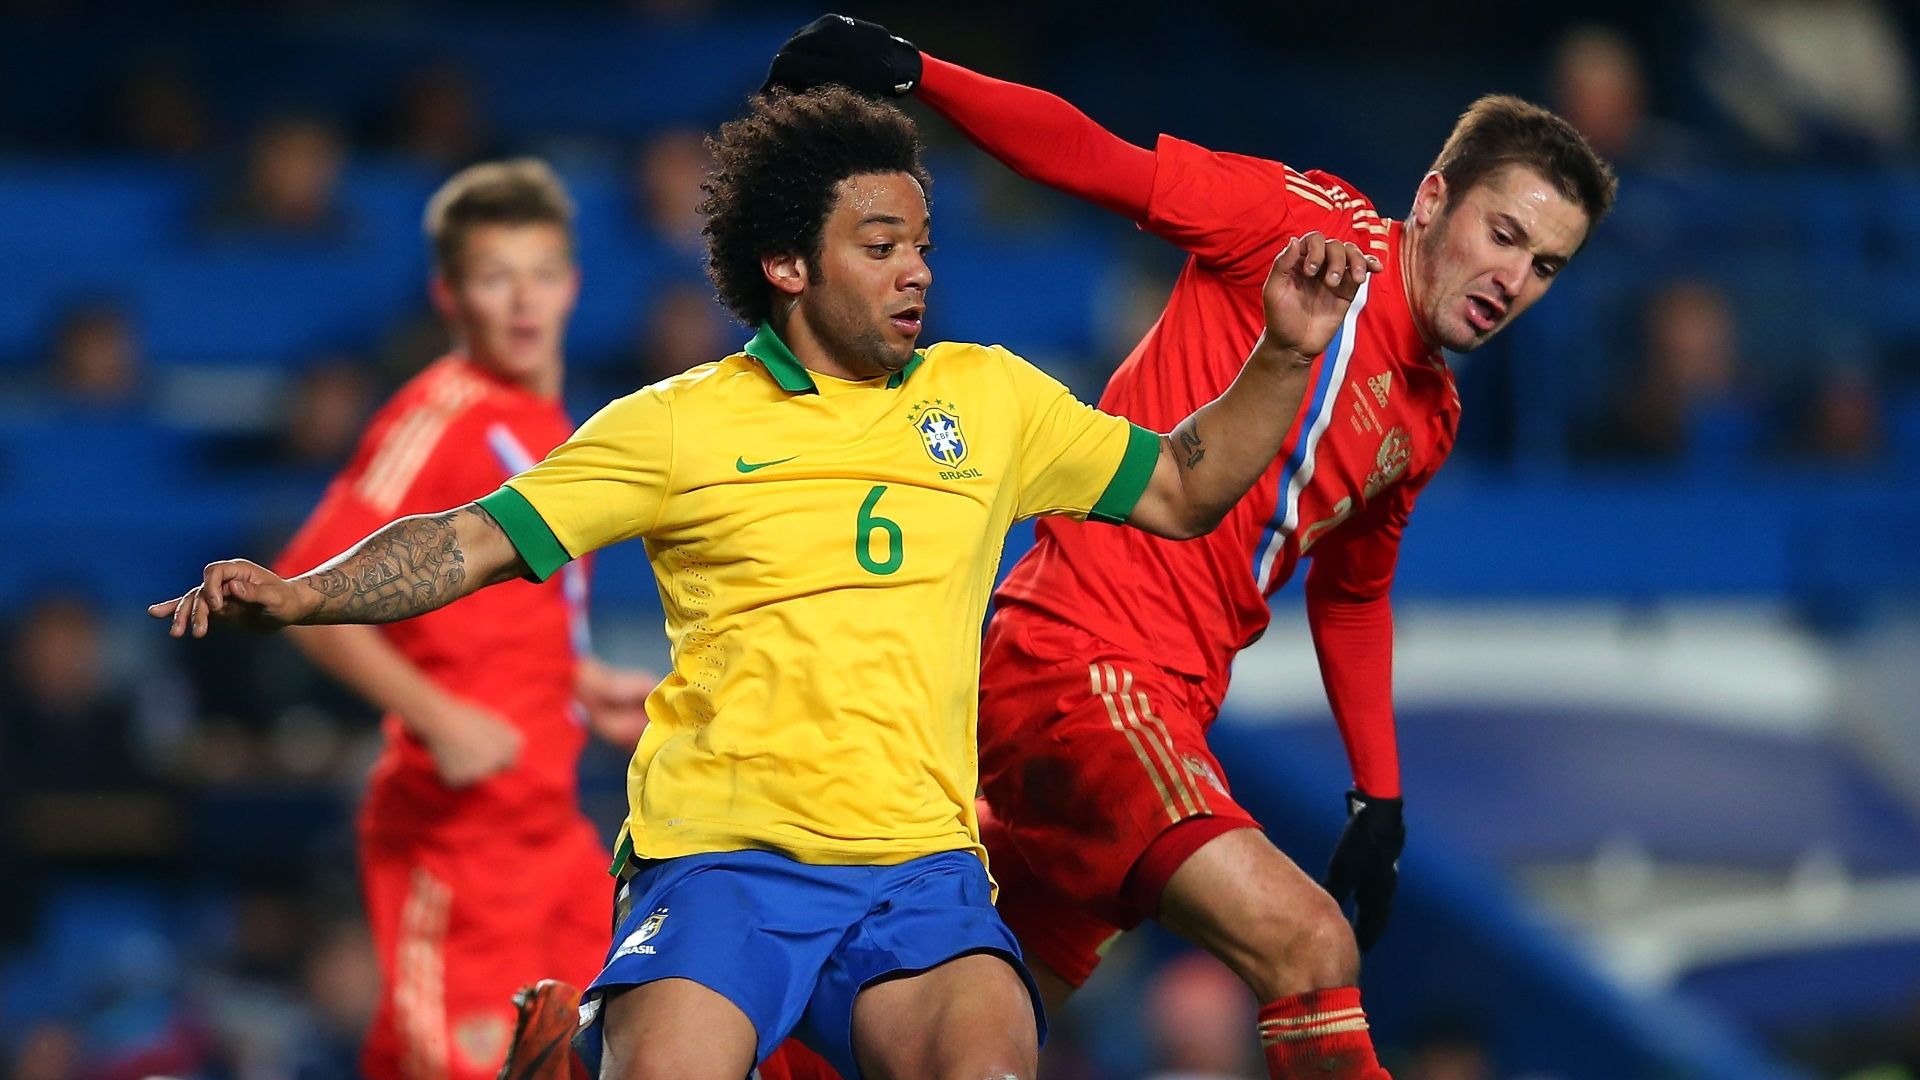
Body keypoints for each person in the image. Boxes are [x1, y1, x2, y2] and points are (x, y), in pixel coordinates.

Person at [151, 86, 1377, 1080]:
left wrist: (1281, 354)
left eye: (924, 247)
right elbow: (472, 539)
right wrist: (306, 593)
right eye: (880, 246)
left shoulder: (989, 399)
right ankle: (582, 1052)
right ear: (788, 266)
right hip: (723, 864)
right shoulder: (678, 426)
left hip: (925, 879)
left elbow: (1183, 486)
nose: (916, 275)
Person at [764, 17, 1616, 1080]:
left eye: (1546, 266)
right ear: (1435, 199)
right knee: (1307, 943)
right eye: (1503, 234)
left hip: (1156, 700)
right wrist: (917, 72)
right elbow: (1095, 159)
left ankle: (590, 1052)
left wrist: (1379, 795)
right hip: (1084, 665)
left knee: (958, 1042)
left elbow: (1354, 596)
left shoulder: (1428, 414)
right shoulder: (1305, 231)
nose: (1514, 279)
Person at [265, 158, 656, 1080]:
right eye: (494, 278)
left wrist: (578, 681)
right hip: (455, 838)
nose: (522, 302)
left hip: (551, 825)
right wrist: (438, 717)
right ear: (451, 294)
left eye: (541, 275)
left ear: (574, 285)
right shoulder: (439, 415)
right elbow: (301, 594)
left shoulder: (552, 424)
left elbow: (505, 612)